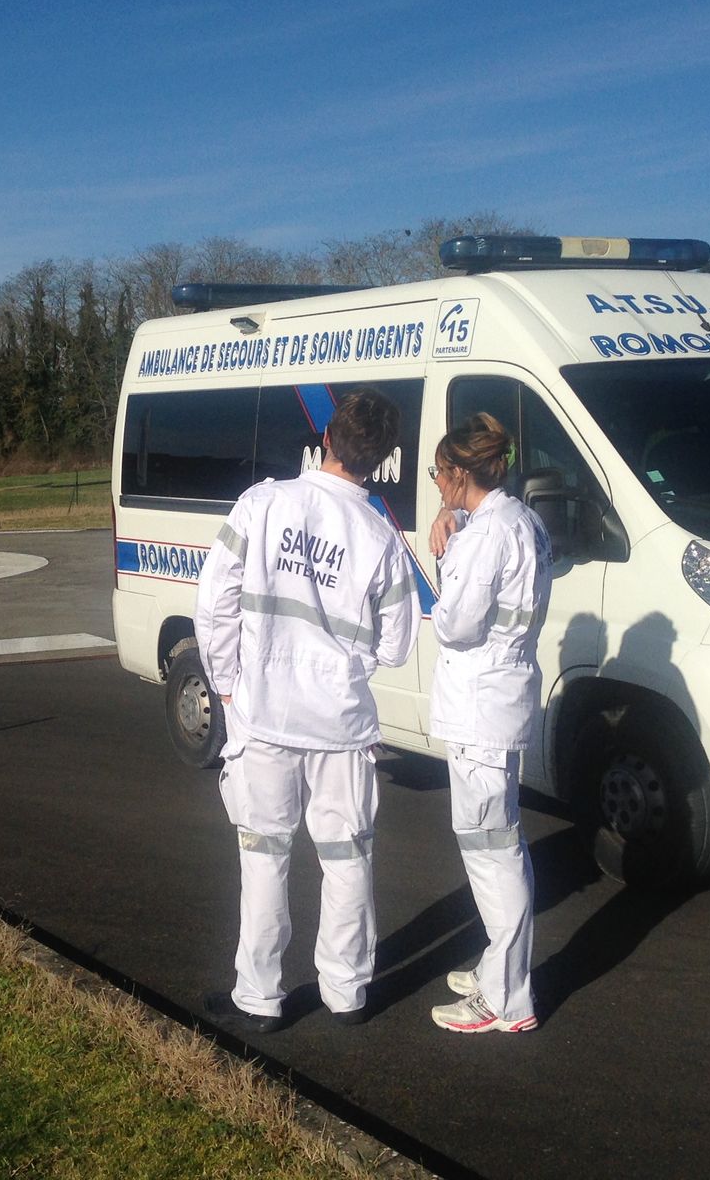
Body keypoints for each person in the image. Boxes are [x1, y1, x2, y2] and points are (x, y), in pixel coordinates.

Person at [194, 388, 420, 1032]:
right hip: (341, 726)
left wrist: (230, 688)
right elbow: (397, 645)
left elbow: (214, 607)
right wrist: (348, 666)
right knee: (346, 859)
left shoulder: (262, 505)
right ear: (383, 459)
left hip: (264, 717)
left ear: (326, 440)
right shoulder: (380, 535)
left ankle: (260, 997)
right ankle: (346, 993)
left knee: (265, 857)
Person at [425, 411, 552, 1035]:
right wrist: (452, 521)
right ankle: (502, 970)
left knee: (489, 852)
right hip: (502, 698)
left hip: (480, 707)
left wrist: (443, 558)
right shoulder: (522, 520)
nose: (435, 484)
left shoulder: (481, 539)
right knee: (503, 844)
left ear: (458, 473)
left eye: (437, 475)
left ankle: (506, 1001)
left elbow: (455, 624)